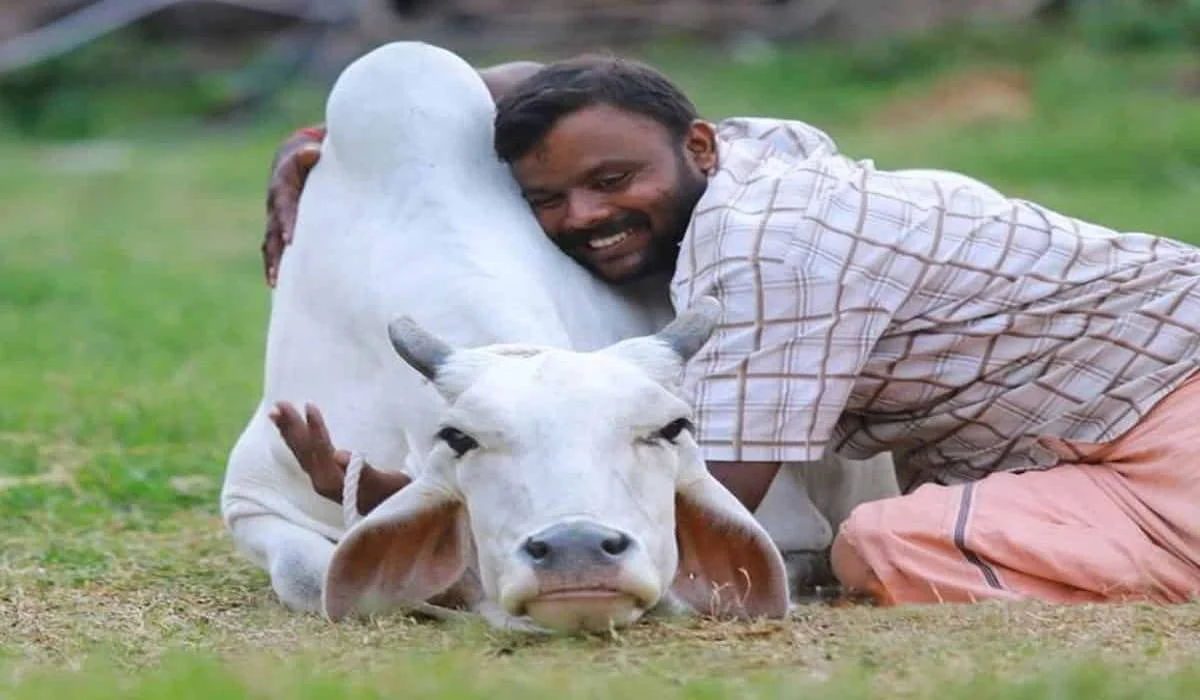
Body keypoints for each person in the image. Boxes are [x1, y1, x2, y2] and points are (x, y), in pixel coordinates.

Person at [263, 53, 1200, 607]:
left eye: (613, 181)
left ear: (699, 146)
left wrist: (416, 503)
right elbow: (563, 84)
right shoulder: (758, 156)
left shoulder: (769, 258)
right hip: (1111, 417)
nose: (585, 215)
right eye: (549, 199)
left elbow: (693, 516)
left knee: (884, 546)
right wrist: (348, 140)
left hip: (1168, 425)